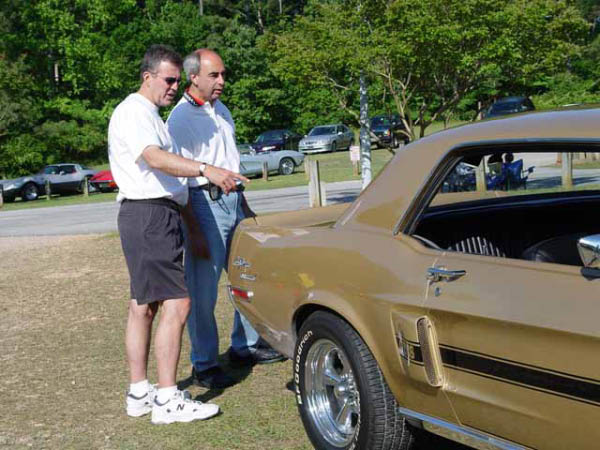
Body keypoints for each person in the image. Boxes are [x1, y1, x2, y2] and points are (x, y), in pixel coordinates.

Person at [108, 44, 248, 424]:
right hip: (149, 215)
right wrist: (208, 169)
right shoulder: (134, 113)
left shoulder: (149, 114)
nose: (173, 87)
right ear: (147, 76)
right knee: (178, 303)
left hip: (155, 214)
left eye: (175, 80)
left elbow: (167, 174)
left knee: (144, 306)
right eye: (168, 80)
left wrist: (188, 212)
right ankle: (168, 399)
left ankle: (140, 392)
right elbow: (155, 159)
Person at [167, 48, 285, 390]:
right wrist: (194, 230)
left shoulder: (222, 110)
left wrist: (244, 207)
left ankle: (244, 345)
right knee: (203, 291)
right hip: (202, 203)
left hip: (233, 200)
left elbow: (229, 163)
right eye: (214, 75)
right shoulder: (179, 119)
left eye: (222, 74)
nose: (221, 81)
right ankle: (204, 364)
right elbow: (180, 181)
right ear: (194, 77)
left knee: (246, 275)